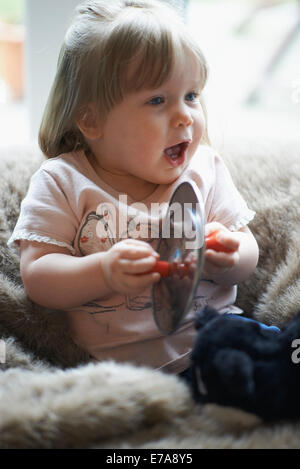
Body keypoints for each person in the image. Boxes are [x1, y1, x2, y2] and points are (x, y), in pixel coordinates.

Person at [8, 0, 259, 377]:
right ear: (91, 119)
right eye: (157, 100)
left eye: (191, 95)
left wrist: (231, 254)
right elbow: (38, 276)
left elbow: (248, 251)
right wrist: (104, 270)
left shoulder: (204, 168)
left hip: (222, 337)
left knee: (277, 353)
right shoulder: (63, 181)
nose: (184, 116)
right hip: (128, 371)